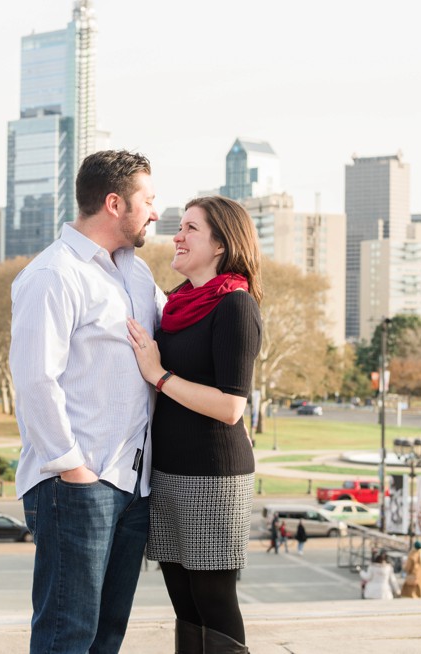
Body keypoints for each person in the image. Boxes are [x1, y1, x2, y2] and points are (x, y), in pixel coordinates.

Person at [10, 150, 163, 653]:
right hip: (78, 485)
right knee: (66, 637)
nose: (156, 212)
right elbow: (35, 380)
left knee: (106, 636)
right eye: (148, 199)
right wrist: (72, 468)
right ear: (115, 203)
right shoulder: (54, 274)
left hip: (131, 484)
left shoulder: (137, 275)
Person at [126, 195, 263, 654]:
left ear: (221, 244)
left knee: (214, 602)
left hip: (213, 478)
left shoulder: (235, 306)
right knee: (183, 603)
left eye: (190, 229)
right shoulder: (178, 303)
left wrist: (159, 375)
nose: (177, 236)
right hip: (168, 473)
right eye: (178, 227)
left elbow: (231, 407)